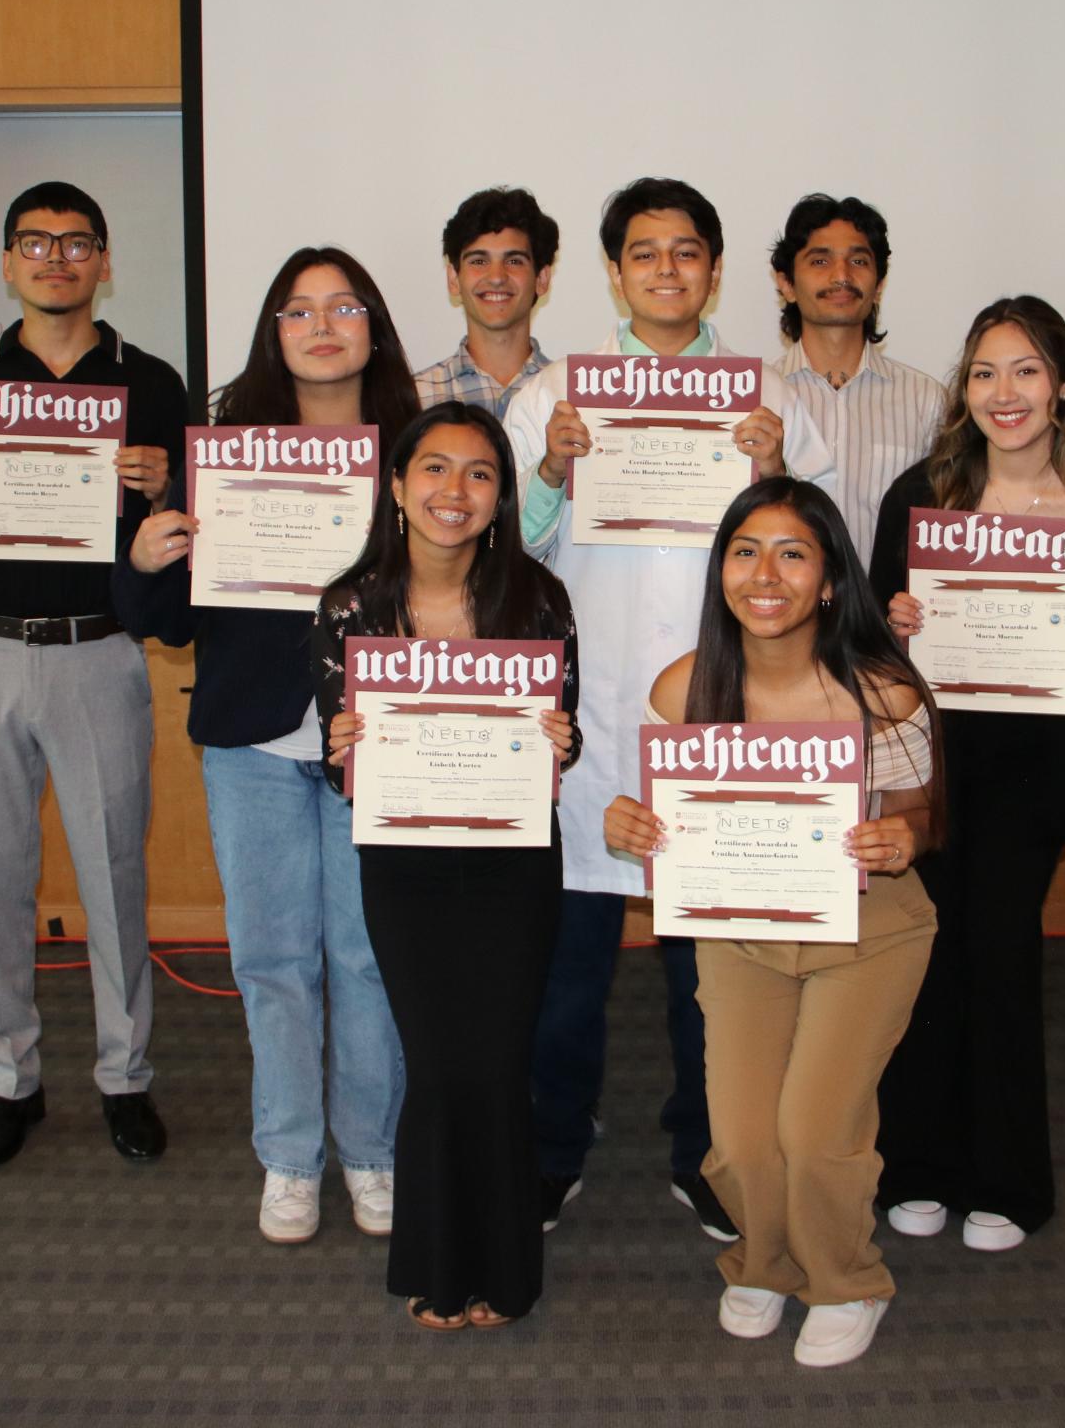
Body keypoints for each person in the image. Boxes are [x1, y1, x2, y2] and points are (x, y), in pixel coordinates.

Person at [502, 177, 834, 1238]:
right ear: (613, 270)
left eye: (686, 251)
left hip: (726, 717)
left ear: (714, 267)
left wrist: (776, 469)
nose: (665, 270)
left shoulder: (770, 397)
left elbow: (821, 547)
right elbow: (500, 550)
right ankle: (556, 1143)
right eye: (643, 252)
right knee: (566, 962)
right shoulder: (554, 396)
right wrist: (551, 465)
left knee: (715, 965)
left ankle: (710, 1149)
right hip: (590, 715)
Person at [601, 477, 940, 1368]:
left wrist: (899, 836)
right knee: (745, 1136)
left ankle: (845, 1279)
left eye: (794, 553)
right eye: (746, 552)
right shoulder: (685, 688)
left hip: (869, 933)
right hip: (741, 932)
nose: (767, 574)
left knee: (815, 1131)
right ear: (721, 573)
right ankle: (762, 1258)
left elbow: (923, 816)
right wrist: (627, 822)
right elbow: (665, 814)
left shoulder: (884, 693)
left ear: (829, 581)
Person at [116, 247, 419, 1241]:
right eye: (297, 310)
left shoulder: (420, 449)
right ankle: (289, 1156)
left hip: (376, 737)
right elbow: (165, 620)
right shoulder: (224, 449)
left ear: (373, 324)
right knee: (273, 958)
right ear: (273, 332)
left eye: (342, 307)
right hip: (251, 739)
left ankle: (370, 1151)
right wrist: (149, 555)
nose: (321, 325)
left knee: (370, 958)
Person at [0, 180, 189, 1167]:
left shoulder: (150, 380)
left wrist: (159, 490)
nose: (56, 257)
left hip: (98, 651)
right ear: (9, 262)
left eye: (77, 243)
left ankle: (124, 1075)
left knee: (114, 873)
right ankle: (10, 1077)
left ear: (105, 261)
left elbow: (188, 539)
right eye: (36, 241)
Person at [868, 294, 1065, 1251]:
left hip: (1032, 773)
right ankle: (917, 1167)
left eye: (1026, 370)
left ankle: (1009, 1182)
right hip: (931, 767)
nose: (1005, 392)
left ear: (1063, 385)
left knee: (999, 956)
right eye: (985, 372)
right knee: (924, 959)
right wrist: (896, 625)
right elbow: (868, 637)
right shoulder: (920, 494)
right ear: (965, 390)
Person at [316, 401, 582, 1330]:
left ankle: (506, 1272)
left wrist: (562, 736)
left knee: (498, 1058)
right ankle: (436, 1263)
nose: (453, 491)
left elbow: (566, 742)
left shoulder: (539, 600)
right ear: (396, 487)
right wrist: (342, 741)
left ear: (503, 497)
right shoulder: (351, 606)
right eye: (432, 469)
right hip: (405, 863)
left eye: (477, 474)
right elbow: (336, 752)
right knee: (436, 1060)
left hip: (511, 863)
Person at [766, 194, 944, 552]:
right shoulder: (759, 395)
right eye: (820, 260)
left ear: (878, 284)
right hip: (787, 605)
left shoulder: (928, 401)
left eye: (859, 261)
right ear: (786, 284)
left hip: (888, 607)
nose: (841, 276)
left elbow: (945, 525)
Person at [414, 187, 560, 417]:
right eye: (479, 261)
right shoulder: (414, 399)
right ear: (453, 279)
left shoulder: (569, 394)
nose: (496, 277)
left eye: (514, 261)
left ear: (541, 279)